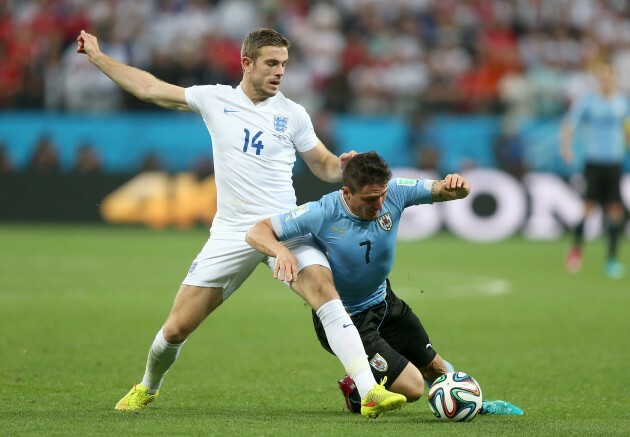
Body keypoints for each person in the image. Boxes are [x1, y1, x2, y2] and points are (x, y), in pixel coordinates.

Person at [76, 28, 405, 417]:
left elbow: (324, 164)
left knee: (323, 289)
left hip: (285, 225)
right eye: (271, 63)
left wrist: (342, 167)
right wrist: (98, 57)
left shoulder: (293, 114)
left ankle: (369, 392)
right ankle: (147, 387)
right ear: (246, 64)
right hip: (232, 231)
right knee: (177, 328)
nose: (280, 72)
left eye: (284, 64)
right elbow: (148, 88)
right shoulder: (214, 99)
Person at [246, 151, 523, 416]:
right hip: (348, 321)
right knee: (414, 388)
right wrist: (281, 251)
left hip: (385, 303)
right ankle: (356, 390)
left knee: (436, 369)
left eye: (382, 195)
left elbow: (446, 190)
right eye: (369, 199)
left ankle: (473, 404)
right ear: (347, 193)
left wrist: (459, 186)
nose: (379, 205)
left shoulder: (395, 192)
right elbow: (257, 231)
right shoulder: (323, 211)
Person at [561, 62, 629, 279]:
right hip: (594, 162)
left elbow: (627, 130)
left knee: (615, 211)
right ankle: (576, 250)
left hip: (614, 163)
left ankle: (611, 260)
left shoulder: (622, 103)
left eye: (609, 77)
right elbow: (570, 124)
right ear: (598, 80)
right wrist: (566, 147)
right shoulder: (588, 102)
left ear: (614, 79)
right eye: (602, 77)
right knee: (588, 207)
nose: (606, 81)